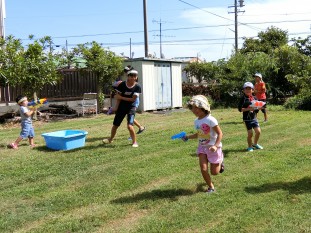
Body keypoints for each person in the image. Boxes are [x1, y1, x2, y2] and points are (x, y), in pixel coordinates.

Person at [182, 95, 224, 193]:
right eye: (193, 108)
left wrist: (216, 145)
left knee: (214, 172)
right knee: (203, 169)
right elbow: (199, 134)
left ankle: (221, 161)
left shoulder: (211, 119)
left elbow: (220, 133)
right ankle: (211, 187)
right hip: (202, 148)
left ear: (203, 107)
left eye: (197, 107)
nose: (194, 110)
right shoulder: (196, 121)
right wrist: (188, 137)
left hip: (213, 148)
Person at [103, 69, 142, 147]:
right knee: (115, 125)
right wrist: (116, 107)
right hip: (121, 107)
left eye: (135, 76)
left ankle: (134, 142)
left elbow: (132, 99)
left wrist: (121, 97)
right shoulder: (122, 85)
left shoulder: (137, 87)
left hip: (131, 107)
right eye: (132, 76)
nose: (134, 78)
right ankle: (110, 139)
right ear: (128, 76)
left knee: (129, 126)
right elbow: (118, 98)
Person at [107, 66, 146, 134]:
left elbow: (132, 96)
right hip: (126, 101)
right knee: (128, 117)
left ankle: (133, 134)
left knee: (129, 117)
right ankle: (140, 127)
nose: (125, 73)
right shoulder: (124, 82)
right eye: (125, 72)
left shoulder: (133, 79)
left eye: (126, 71)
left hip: (134, 100)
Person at [238, 82, 264, 152]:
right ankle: (249, 147)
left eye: (249, 89)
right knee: (250, 133)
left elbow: (256, 108)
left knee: (258, 132)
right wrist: (249, 109)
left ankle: (255, 144)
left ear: (252, 90)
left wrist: (260, 108)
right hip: (247, 119)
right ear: (243, 90)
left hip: (254, 118)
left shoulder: (255, 98)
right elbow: (240, 109)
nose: (248, 90)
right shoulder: (242, 99)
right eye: (246, 89)